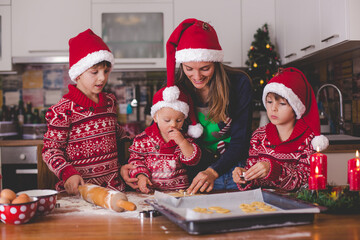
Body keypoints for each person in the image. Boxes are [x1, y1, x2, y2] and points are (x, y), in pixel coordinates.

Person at [121, 18, 253, 194]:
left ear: (215, 61)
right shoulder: (173, 88)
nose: (197, 76)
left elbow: (240, 140)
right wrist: (131, 168)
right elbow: (158, 135)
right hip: (191, 173)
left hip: (233, 169)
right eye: (189, 68)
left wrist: (213, 171)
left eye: (205, 68)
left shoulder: (239, 84)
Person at [42, 29, 132, 195]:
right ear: (78, 74)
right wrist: (67, 173)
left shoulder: (110, 102)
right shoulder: (62, 110)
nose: (102, 78)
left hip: (113, 190)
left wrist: (143, 139)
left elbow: (115, 133)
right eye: (94, 72)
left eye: (106, 71)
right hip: (80, 193)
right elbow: (50, 151)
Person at [232, 67, 329, 192]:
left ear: (296, 108)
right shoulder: (258, 136)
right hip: (264, 205)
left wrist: (274, 170)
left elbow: (304, 181)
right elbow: (255, 179)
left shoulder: (308, 140)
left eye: (282, 104)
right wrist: (245, 176)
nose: (273, 108)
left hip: (297, 206)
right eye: (269, 102)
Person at [127, 77, 202, 193]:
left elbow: (193, 159)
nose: (173, 125)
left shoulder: (184, 138)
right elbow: (135, 161)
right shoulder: (142, 139)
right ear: (155, 117)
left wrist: (182, 142)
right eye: (167, 120)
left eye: (179, 121)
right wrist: (141, 177)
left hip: (179, 193)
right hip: (151, 193)